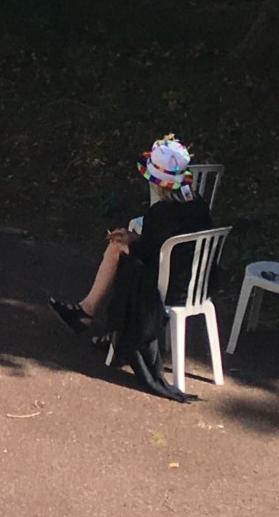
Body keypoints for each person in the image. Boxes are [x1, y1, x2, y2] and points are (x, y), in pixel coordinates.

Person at [48, 136, 213, 403]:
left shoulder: (162, 211)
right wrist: (133, 239)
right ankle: (90, 314)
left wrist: (126, 242)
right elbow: (163, 243)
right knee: (121, 248)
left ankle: (88, 312)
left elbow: (146, 253)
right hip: (197, 282)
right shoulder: (199, 204)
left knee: (116, 253)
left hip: (170, 285)